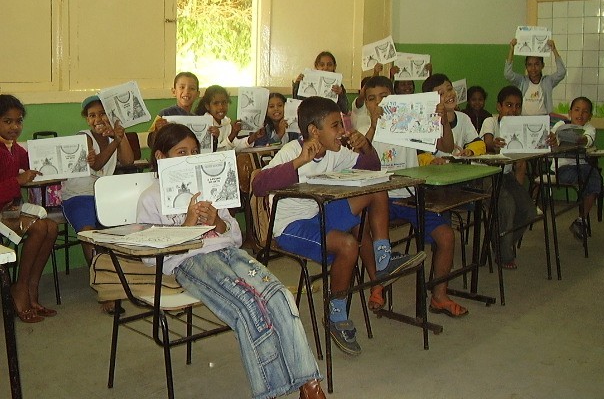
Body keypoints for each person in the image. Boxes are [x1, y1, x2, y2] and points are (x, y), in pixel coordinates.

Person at [136, 123, 326, 399]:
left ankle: (309, 384)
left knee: (280, 296)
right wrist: (189, 223)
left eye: (194, 151)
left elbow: (235, 235)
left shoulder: (209, 185)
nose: (190, 157)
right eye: (181, 152)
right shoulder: (151, 197)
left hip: (229, 252)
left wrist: (217, 222)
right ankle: (271, 390)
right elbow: (150, 258)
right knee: (248, 306)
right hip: (191, 260)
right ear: (161, 157)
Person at [253, 96, 426, 356]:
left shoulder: (336, 151)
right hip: (292, 228)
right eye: (335, 126)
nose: (342, 131)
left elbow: (372, 168)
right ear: (314, 131)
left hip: (320, 213)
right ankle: (336, 315)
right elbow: (258, 185)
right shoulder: (291, 151)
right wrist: (299, 161)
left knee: (376, 187)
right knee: (347, 246)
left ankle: (382, 258)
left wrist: (366, 147)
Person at [359, 76, 469, 317]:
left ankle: (439, 296)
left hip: (410, 196)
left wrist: (443, 121)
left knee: (447, 236)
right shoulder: (361, 132)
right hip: (378, 200)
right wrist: (374, 127)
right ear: (365, 103)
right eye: (372, 99)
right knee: (359, 229)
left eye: (384, 98)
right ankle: (377, 281)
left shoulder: (408, 123)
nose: (378, 103)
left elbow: (447, 147)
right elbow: (357, 162)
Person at [61, 95, 134, 314]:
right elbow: (99, 164)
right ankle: (104, 288)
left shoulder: (115, 136)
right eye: (92, 115)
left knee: (121, 230)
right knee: (88, 233)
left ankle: (118, 279)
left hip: (104, 194)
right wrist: (115, 141)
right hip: (78, 195)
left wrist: (120, 137)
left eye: (102, 113)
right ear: (86, 120)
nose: (98, 119)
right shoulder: (83, 137)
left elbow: (128, 161)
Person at [0, 94, 58, 323]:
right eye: (7, 121)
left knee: (51, 227)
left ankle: (31, 287)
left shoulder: (14, 148)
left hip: (12, 208)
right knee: (39, 228)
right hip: (2, 211)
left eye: (19, 121)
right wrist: (19, 181)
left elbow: (34, 162)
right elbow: (19, 179)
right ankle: (20, 289)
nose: (15, 126)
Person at [480, 86, 537, 269]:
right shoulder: (491, 121)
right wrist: (493, 144)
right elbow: (487, 142)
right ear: (499, 107)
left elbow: (521, 166)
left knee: (529, 211)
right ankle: (504, 254)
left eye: (517, 106)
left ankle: (501, 242)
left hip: (506, 176)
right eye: (509, 105)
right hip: (485, 174)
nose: (513, 110)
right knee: (507, 205)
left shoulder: (521, 127)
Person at [550, 97, 602, 242]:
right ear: (570, 112)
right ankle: (600, 187)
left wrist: (582, 140)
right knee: (592, 179)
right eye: (577, 110)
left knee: (591, 175)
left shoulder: (589, 128)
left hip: (582, 167)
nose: (580, 114)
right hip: (562, 168)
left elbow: (589, 139)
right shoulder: (561, 125)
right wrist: (553, 139)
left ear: (590, 116)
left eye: (585, 112)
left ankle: (581, 220)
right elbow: (552, 137)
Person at [422, 74, 486, 159]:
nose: (449, 94)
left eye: (449, 89)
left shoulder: (463, 118)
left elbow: (478, 143)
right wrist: (432, 160)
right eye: (441, 94)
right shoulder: (427, 124)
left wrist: (470, 151)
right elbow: (421, 155)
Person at [504, 38, 566, 116]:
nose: (533, 68)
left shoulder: (547, 81)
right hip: (524, 119)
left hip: (543, 119)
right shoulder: (522, 81)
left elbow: (562, 72)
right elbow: (507, 74)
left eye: (536, 64)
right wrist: (511, 50)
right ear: (526, 66)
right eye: (529, 65)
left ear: (542, 65)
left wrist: (554, 49)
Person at [194, 85, 263, 151]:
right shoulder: (205, 125)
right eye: (216, 103)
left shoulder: (226, 122)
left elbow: (234, 146)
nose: (221, 107)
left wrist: (254, 137)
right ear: (207, 106)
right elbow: (218, 152)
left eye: (224, 102)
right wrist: (233, 134)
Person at [148, 72, 201, 149]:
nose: (187, 91)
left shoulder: (198, 119)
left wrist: (214, 136)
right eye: (182, 87)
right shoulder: (164, 114)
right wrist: (157, 131)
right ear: (174, 92)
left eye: (192, 88)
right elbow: (151, 143)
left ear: (197, 94)